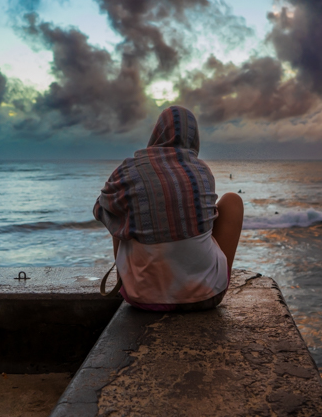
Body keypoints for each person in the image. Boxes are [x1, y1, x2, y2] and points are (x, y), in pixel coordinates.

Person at [93, 106, 243, 311]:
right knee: (232, 200)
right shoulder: (202, 171)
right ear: (194, 138)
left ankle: (123, 278)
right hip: (208, 296)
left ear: (157, 132)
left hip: (139, 297)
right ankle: (210, 277)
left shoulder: (129, 170)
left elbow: (100, 207)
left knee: (116, 208)